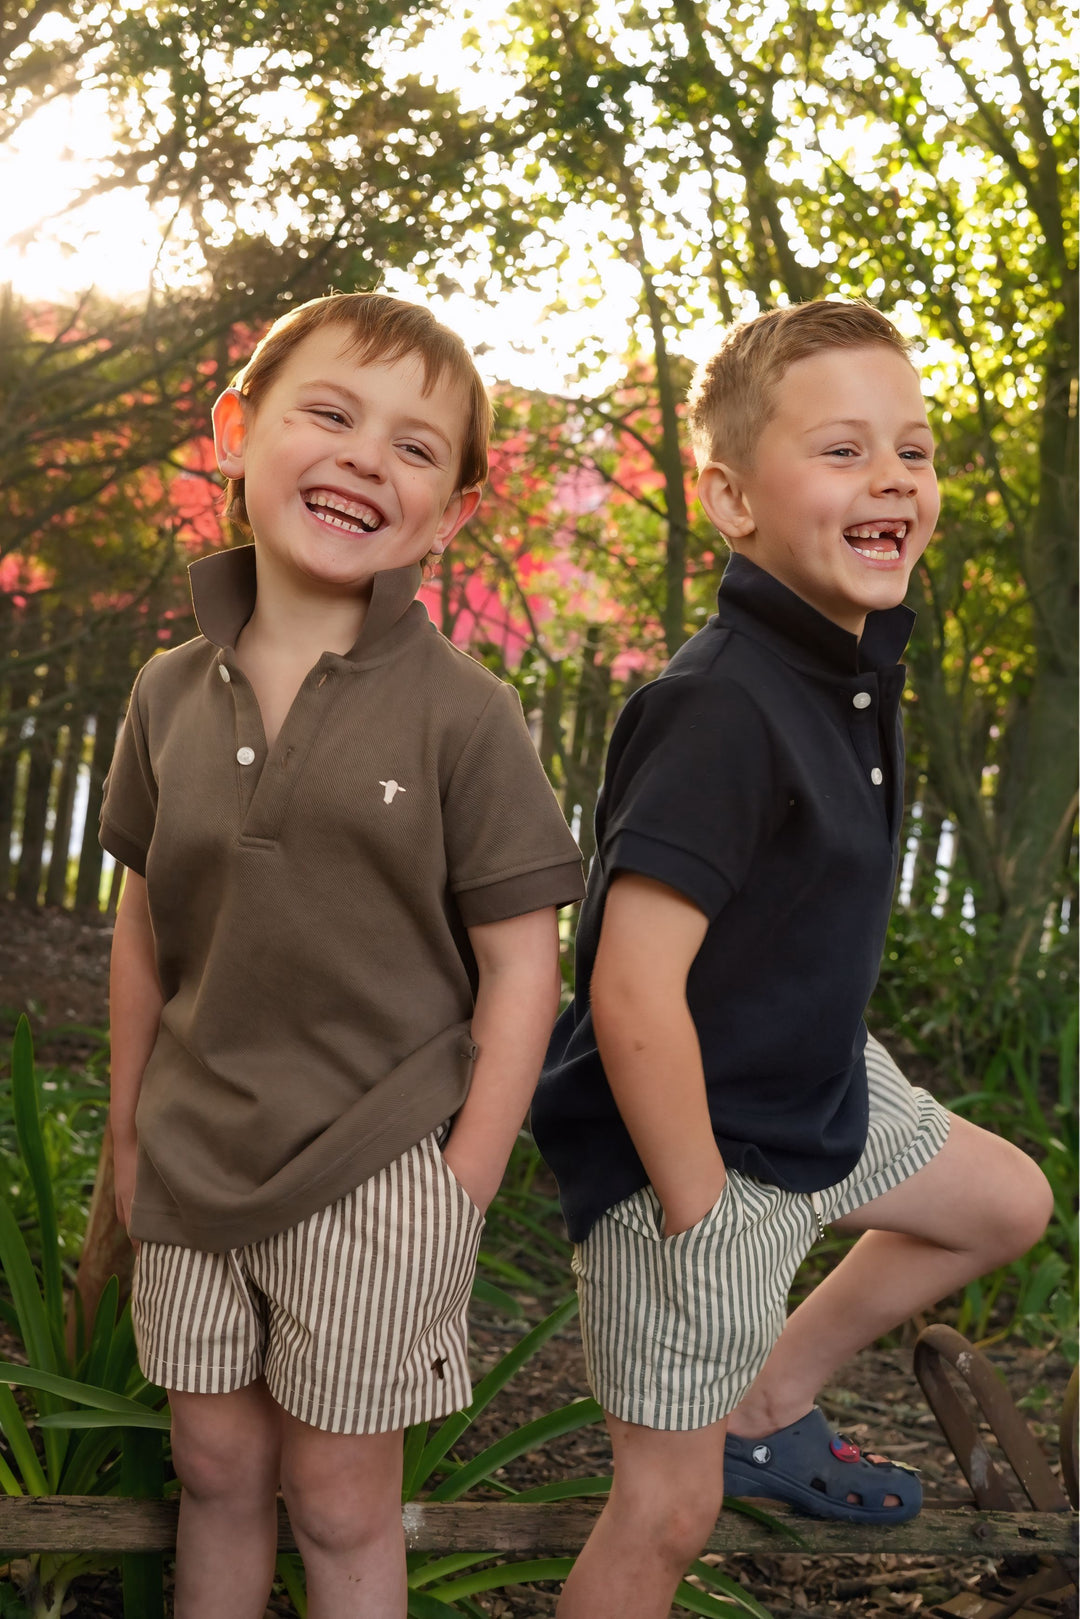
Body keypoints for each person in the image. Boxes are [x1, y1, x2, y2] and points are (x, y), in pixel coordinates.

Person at [530, 300, 1053, 1619]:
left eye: (915, 451)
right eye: (841, 451)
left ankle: (772, 1394)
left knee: (1003, 1203)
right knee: (667, 1510)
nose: (891, 478)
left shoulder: (844, 676)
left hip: (813, 1087)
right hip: (695, 1145)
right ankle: (727, 1411)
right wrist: (699, 1208)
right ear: (731, 499)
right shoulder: (720, 706)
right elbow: (632, 985)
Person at [100, 291, 584, 1619]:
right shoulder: (164, 694)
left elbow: (525, 963)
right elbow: (145, 927)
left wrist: (465, 1180)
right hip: (198, 1148)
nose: (369, 457)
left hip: (380, 1169)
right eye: (330, 414)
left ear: (453, 512)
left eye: (417, 447)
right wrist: (130, 1137)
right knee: (213, 1465)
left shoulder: (464, 718)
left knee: (339, 1497)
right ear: (236, 432)